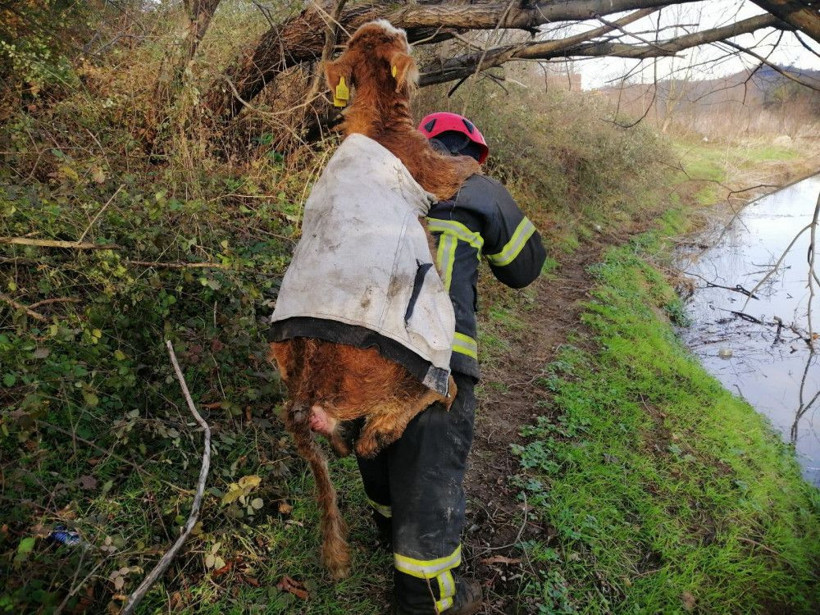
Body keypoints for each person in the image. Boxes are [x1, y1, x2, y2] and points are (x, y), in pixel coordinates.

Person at [354, 112, 547, 614]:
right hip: (437, 359)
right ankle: (430, 600)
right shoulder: (480, 190)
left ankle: (386, 531)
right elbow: (524, 268)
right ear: (473, 155)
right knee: (429, 477)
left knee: (376, 450)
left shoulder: (376, 177)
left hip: (362, 352)